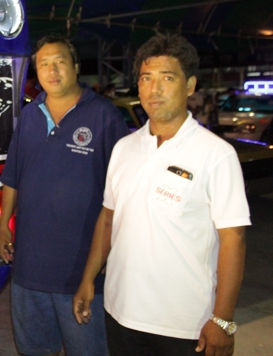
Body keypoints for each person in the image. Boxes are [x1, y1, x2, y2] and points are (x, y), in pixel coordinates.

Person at [73, 33, 250, 356]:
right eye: (146, 78)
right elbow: (108, 219)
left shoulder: (215, 154)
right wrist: (88, 279)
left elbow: (233, 240)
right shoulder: (124, 148)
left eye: (167, 78)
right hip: (120, 313)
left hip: (185, 325)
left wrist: (223, 320)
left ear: (190, 85)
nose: (154, 89)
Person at [0, 34, 130, 356]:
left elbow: (122, 193)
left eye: (60, 62)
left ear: (76, 67)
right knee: (36, 350)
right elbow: (12, 176)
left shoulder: (104, 115)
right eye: (44, 64)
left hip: (82, 270)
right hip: (29, 268)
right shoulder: (30, 115)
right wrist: (3, 226)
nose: (52, 70)